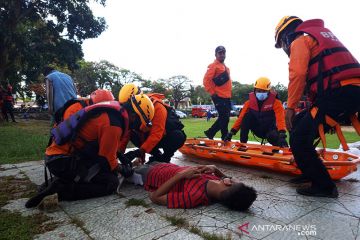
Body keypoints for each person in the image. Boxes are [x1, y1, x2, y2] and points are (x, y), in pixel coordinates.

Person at [275, 16, 360, 197]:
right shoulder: (319, 38)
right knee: (299, 123)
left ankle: (324, 187)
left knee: (298, 138)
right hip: (348, 91)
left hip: (338, 94)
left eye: (282, 42)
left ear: (287, 35)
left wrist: (290, 108)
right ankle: (311, 173)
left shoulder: (300, 41)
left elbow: (297, 74)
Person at [25, 93, 155, 208]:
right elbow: (106, 160)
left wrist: (121, 157)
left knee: (101, 171)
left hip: (58, 157)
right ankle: (62, 190)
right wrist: (123, 170)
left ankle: (53, 184)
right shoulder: (114, 124)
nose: (137, 126)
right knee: (111, 182)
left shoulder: (113, 113)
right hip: (62, 162)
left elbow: (107, 148)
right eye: (139, 122)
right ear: (134, 115)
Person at [134, 162, 257, 211]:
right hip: (164, 166)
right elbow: (225, 178)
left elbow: (155, 197)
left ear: (228, 183)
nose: (231, 177)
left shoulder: (193, 197)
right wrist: (216, 169)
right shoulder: (216, 183)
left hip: (151, 175)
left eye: (237, 180)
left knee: (127, 168)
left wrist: (180, 176)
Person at [118, 83, 186, 163]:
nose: (129, 112)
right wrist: (119, 155)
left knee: (178, 136)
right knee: (133, 135)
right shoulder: (131, 112)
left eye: (129, 107)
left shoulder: (157, 107)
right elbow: (127, 133)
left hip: (163, 137)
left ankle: (165, 157)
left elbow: (157, 134)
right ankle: (156, 155)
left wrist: (139, 152)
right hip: (148, 136)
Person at [224, 77, 288, 147]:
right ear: (255, 90)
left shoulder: (276, 103)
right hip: (257, 129)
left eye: (264, 91)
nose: (261, 93)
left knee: (273, 136)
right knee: (246, 116)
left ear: (268, 91)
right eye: (259, 91)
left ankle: (281, 148)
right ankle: (243, 143)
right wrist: (231, 133)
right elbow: (241, 119)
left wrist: (282, 134)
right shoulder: (249, 103)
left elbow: (280, 119)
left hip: (270, 130)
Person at [203, 46, 232, 140]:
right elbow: (206, 81)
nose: (222, 55)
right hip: (218, 96)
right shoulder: (213, 66)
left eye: (224, 53)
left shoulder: (225, 67)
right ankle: (225, 136)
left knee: (225, 117)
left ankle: (210, 132)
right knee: (224, 117)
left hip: (226, 96)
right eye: (220, 53)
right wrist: (212, 93)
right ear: (215, 54)